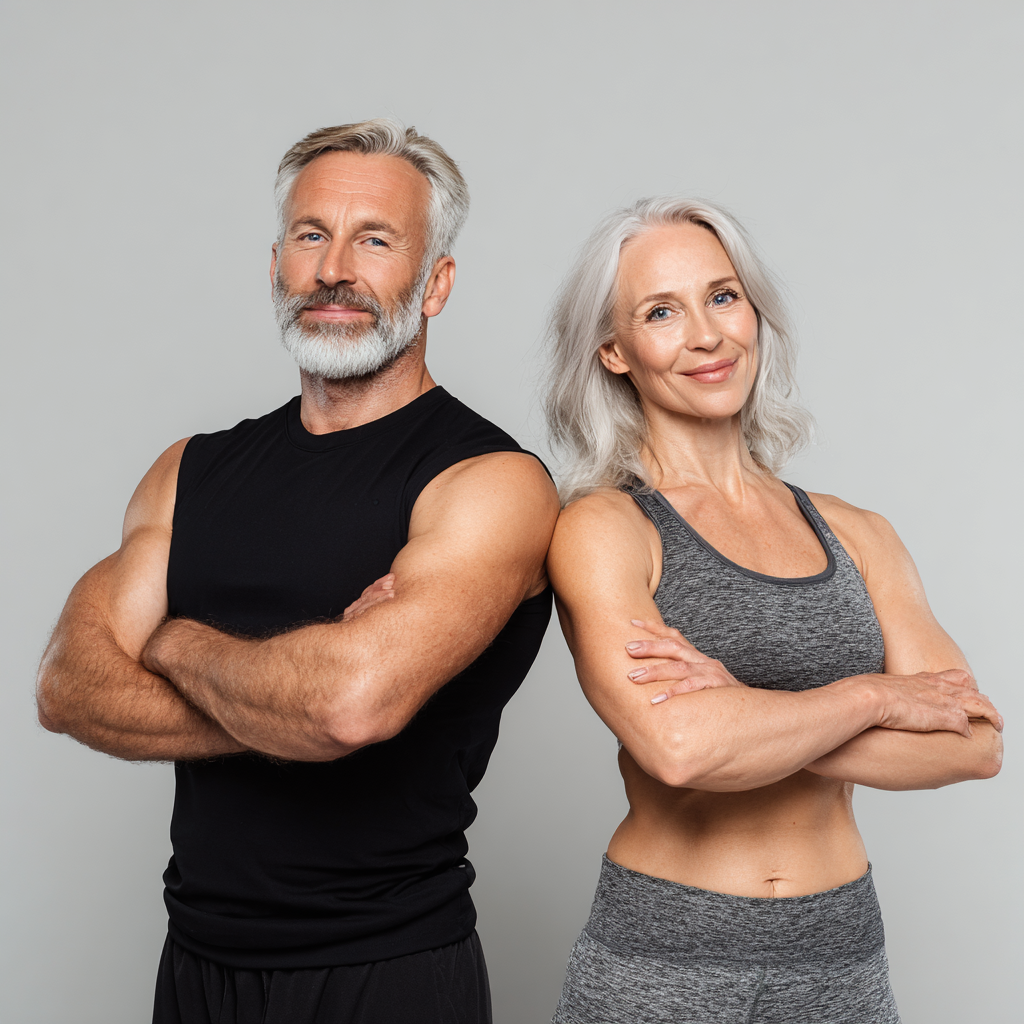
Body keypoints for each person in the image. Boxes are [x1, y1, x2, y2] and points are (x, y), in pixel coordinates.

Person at [35, 118, 559, 1024]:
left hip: (384, 968)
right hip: (195, 964)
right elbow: (67, 687)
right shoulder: (189, 470)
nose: (335, 269)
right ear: (275, 265)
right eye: (312, 236)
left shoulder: (490, 484)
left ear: (435, 283)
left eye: (376, 240)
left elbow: (347, 706)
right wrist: (291, 709)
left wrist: (173, 638)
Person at [543, 196, 1003, 1024]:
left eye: (723, 296)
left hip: (841, 955)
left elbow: (974, 744)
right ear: (614, 351)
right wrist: (878, 698)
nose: (707, 335)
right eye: (661, 312)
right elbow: (680, 748)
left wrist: (753, 715)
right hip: (667, 958)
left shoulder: (859, 533)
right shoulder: (605, 529)